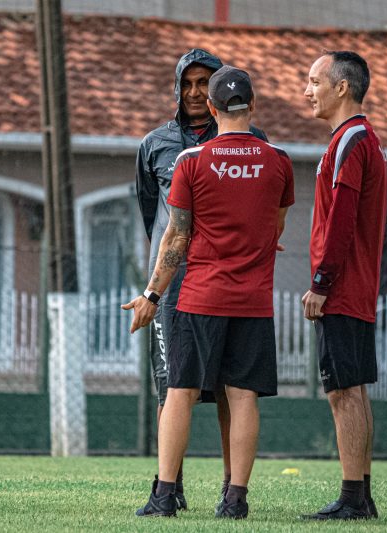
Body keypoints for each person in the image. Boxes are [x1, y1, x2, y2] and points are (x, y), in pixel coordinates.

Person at [124, 66, 294, 519]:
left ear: (214, 109)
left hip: (199, 296)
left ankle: (164, 496)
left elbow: (176, 237)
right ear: (253, 106)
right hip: (253, 300)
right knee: (242, 397)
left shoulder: (192, 161)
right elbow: (276, 225)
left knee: (179, 391)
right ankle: (235, 498)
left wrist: (152, 295)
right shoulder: (279, 160)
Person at [300, 50, 387, 520]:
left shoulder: (351, 141)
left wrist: (321, 282)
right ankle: (362, 496)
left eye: (314, 80)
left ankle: (353, 498)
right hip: (354, 288)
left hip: (343, 289)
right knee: (352, 388)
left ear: (342, 88)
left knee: (343, 392)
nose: (306, 89)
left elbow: (342, 222)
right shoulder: (358, 139)